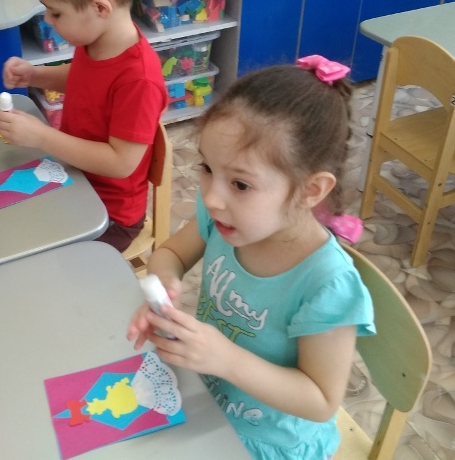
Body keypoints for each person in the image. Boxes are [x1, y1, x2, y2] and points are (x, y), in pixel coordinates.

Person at [127, 58, 375, 460]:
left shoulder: (327, 283)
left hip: (269, 443)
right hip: (206, 399)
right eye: (207, 168)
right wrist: (165, 286)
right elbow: (170, 254)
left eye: (240, 184)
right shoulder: (225, 220)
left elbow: (320, 400)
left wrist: (225, 359)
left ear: (311, 190)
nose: (212, 198)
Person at [0, 0, 167, 252]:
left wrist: (41, 136)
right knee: (6, 225)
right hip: (74, 179)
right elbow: (85, 80)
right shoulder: (95, 41)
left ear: (100, 8)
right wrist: (36, 75)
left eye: (56, 12)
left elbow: (121, 163)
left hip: (111, 216)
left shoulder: (139, 79)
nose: (48, 19)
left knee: (32, 257)